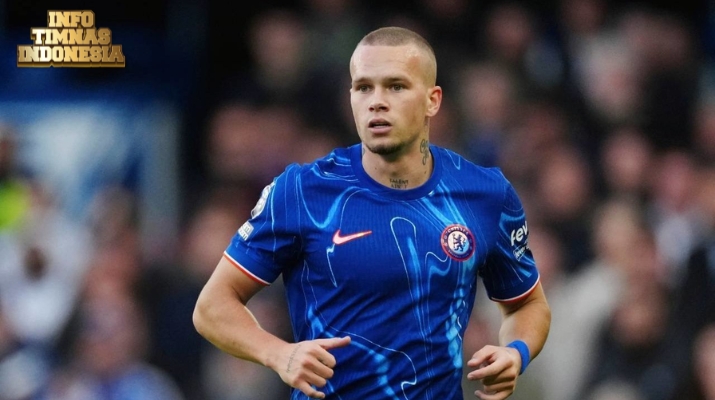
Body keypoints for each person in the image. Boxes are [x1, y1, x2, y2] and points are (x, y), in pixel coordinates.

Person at [193, 26, 551, 400]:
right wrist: (279, 354)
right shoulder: (301, 191)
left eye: (396, 86)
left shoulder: (486, 194)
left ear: (432, 100)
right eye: (364, 87)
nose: (377, 102)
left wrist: (516, 352)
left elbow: (527, 303)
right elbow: (212, 307)